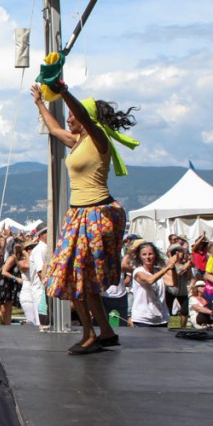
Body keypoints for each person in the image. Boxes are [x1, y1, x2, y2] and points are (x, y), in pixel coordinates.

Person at [30, 68, 139, 354]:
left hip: (95, 214)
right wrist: (40, 102)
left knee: (71, 274)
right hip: (79, 214)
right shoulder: (78, 142)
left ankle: (89, 334)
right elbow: (54, 130)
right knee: (84, 279)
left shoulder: (97, 138)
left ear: (84, 116)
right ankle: (106, 331)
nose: (68, 117)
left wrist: (63, 91)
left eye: (72, 114)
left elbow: (84, 117)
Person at [129, 242, 175, 328]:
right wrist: (167, 267)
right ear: (140, 256)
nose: (147, 257)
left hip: (161, 318)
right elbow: (149, 280)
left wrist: (173, 267)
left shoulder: (158, 270)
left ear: (155, 255)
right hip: (143, 318)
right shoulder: (138, 272)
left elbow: (172, 282)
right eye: (144, 254)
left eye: (150, 254)